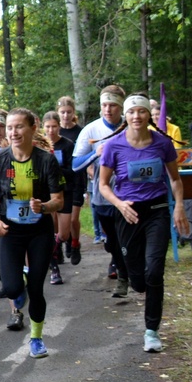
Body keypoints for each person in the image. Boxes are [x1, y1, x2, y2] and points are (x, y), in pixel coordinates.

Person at [98, 94, 190, 352]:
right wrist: (119, 204)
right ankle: (137, 284)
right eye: (131, 112)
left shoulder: (162, 144)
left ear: (149, 115)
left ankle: (152, 331)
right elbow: (103, 185)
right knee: (138, 280)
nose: (136, 116)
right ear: (125, 117)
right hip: (127, 213)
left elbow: (175, 179)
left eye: (141, 111)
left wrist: (179, 206)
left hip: (157, 210)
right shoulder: (114, 146)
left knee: (154, 271)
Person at [0, 109, 65, 358]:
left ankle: (36, 338)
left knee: (38, 288)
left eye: (19, 127)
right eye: (9, 127)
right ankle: (21, 283)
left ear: (32, 128)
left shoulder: (46, 161)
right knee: (11, 288)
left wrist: (44, 206)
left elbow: (58, 200)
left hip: (40, 230)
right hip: (10, 230)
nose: (13, 132)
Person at [73, 85, 130, 297]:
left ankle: (124, 277)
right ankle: (118, 260)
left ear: (121, 106)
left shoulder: (131, 125)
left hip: (130, 195)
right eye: (104, 105)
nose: (108, 109)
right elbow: (75, 165)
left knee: (127, 238)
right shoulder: (91, 130)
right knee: (113, 242)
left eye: (113, 105)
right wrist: (94, 155)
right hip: (103, 197)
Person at [42, 112, 76, 285]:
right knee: (50, 231)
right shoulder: (39, 145)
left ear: (59, 126)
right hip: (46, 194)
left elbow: (73, 170)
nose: (51, 130)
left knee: (63, 233)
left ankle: (56, 250)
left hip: (65, 191)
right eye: (47, 126)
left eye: (54, 126)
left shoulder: (67, 145)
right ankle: (53, 266)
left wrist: (54, 170)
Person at [56, 97, 85, 264]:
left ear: (73, 113)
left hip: (76, 179)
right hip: (59, 183)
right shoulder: (54, 131)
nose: (66, 115)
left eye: (69, 112)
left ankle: (74, 243)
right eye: (62, 112)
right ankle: (58, 246)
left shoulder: (80, 131)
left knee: (73, 218)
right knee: (58, 219)